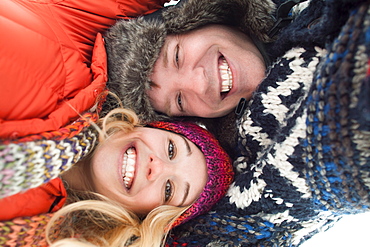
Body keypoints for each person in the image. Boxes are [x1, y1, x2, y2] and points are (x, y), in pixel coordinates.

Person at [104, 0, 370, 246]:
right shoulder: (253, 151)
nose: (199, 83)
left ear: (199, 18)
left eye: (176, 57)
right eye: (180, 101)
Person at [0, 107, 234, 246]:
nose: (157, 167)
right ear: (151, 126)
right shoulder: (69, 89)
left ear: (145, 217)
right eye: (171, 149)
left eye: (168, 190)